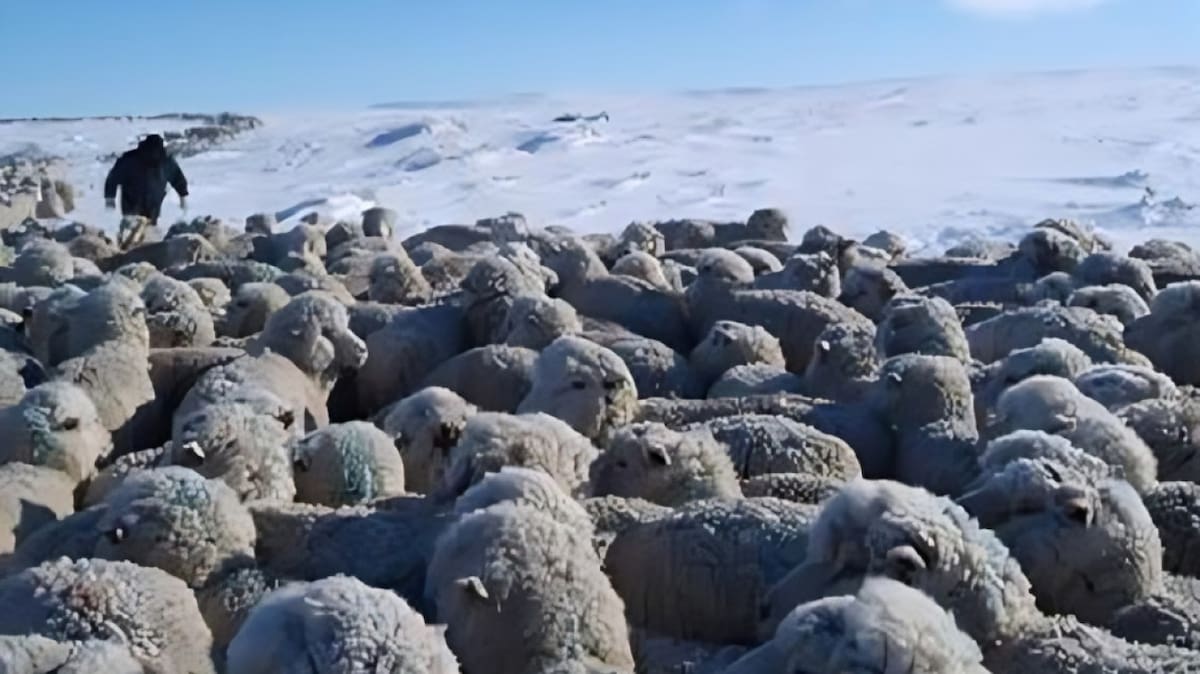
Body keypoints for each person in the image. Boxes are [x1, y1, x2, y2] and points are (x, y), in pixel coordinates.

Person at [103, 134, 188, 225]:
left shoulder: (165, 161)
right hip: (133, 206)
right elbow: (113, 178)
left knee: (147, 229)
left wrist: (183, 196)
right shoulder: (130, 159)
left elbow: (178, 178)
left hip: (151, 207)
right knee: (132, 229)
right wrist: (110, 197)